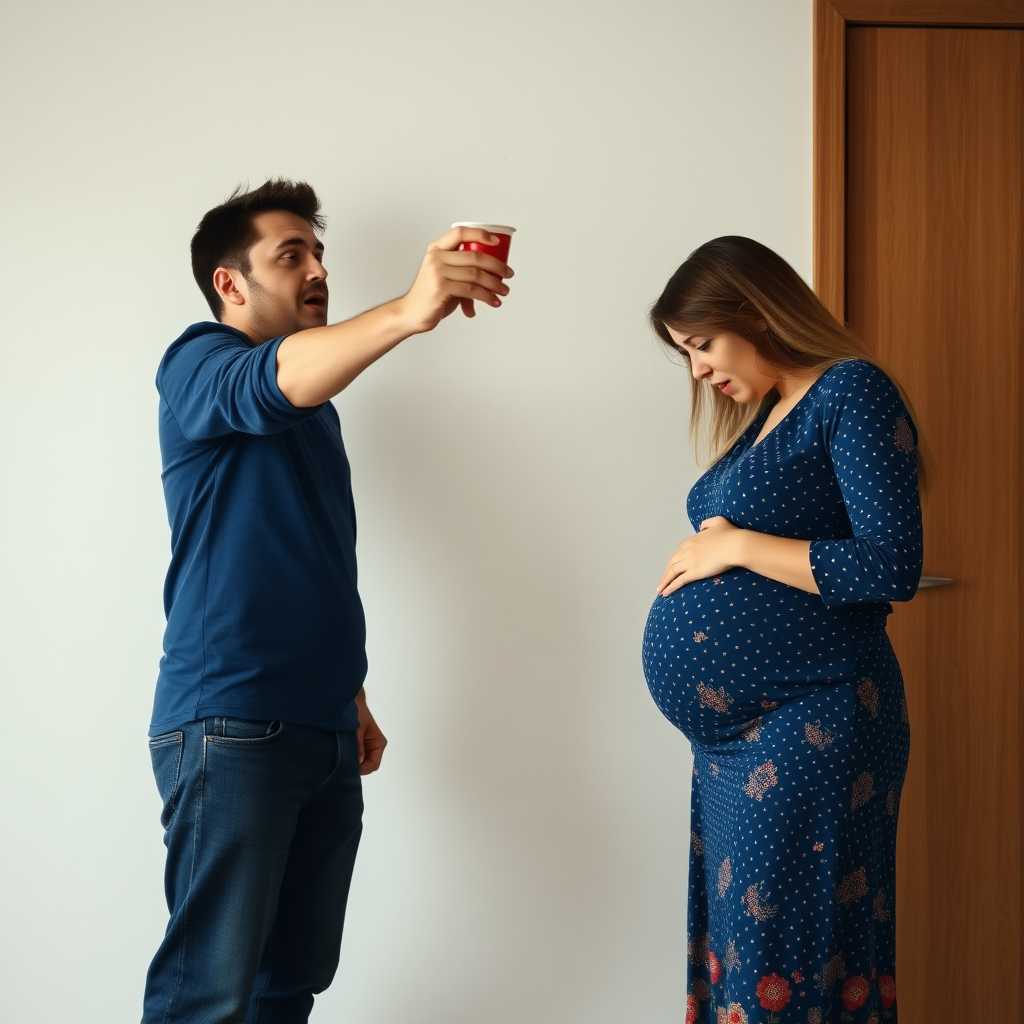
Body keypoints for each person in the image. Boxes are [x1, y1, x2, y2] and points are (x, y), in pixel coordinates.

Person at [143, 179, 513, 1024]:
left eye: (318, 254)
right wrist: (410, 311)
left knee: (289, 985)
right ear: (230, 284)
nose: (317, 270)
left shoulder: (317, 412)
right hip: (231, 720)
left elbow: (307, 556)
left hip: (319, 727)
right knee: (207, 994)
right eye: (291, 255)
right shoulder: (196, 363)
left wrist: (351, 693)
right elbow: (270, 381)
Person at [642, 236, 922, 1024]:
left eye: (700, 344)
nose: (696, 369)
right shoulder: (766, 413)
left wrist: (733, 544)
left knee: (788, 961)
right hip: (732, 745)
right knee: (746, 959)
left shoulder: (850, 391)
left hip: (813, 724)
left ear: (757, 312)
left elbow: (888, 566)